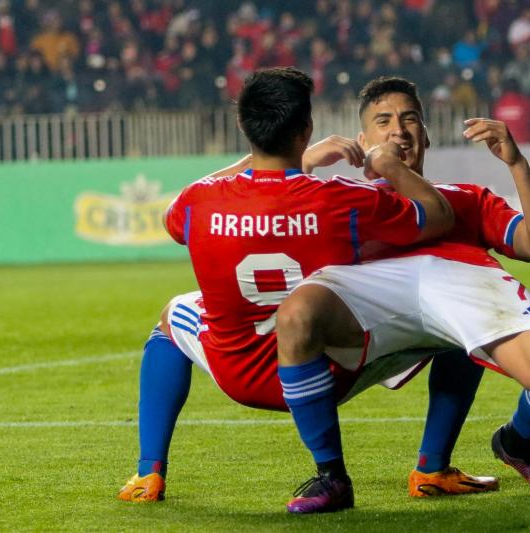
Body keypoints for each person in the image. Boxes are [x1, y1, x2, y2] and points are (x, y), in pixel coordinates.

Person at [117, 67, 466, 507]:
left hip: (239, 375)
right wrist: (389, 166)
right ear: (307, 129)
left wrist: (291, 158)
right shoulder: (341, 199)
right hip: (330, 371)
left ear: (244, 126)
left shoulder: (199, 201)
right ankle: (432, 467)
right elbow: (437, 215)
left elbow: (176, 211)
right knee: (459, 328)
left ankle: (149, 473)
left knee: (170, 319)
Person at [274, 76, 530, 512]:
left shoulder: (466, 199)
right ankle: (330, 476)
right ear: (362, 142)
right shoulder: (338, 200)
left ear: (426, 136)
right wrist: (302, 165)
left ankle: (510, 445)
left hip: (455, 307)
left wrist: (516, 164)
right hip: (363, 339)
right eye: (384, 121)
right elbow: (259, 210)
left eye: (410, 120)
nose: (398, 130)